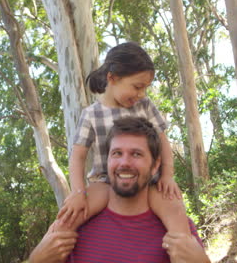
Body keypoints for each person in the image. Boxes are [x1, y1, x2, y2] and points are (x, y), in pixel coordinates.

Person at [57, 42, 190, 243]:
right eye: (137, 86)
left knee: (175, 208)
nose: (142, 94)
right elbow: (78, 157)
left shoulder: (145, 106)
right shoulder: (91, 114)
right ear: (112, 78)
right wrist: (77, 192)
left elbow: (163, 142)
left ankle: (186, 250)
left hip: (148, 182)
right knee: (70, 216)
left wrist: (167, 175)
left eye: (145, 88)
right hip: (104, 183)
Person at [29, 117, 210, 263]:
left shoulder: (177, 229)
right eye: (116, 153)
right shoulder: (76, 221)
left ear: (155, 166)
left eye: (136, 154)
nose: (124, 163)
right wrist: (35, 259)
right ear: (107, 161)